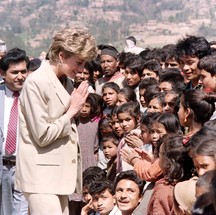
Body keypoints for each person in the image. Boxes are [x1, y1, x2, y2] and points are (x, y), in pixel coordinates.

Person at [15, 26, 97, 215]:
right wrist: (72, 110)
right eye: (79, 62)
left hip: (58, 178)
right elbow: (42, 135)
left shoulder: (66, 81)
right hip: (41, 177)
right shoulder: (36, 82)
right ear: (61, 56)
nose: (82, 70)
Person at [0, 47, 29, 215]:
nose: (20, 76)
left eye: (23, 71)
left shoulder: (33, 96)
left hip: (24, 166)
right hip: (2, 165)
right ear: (3, 73)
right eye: (15, 72)